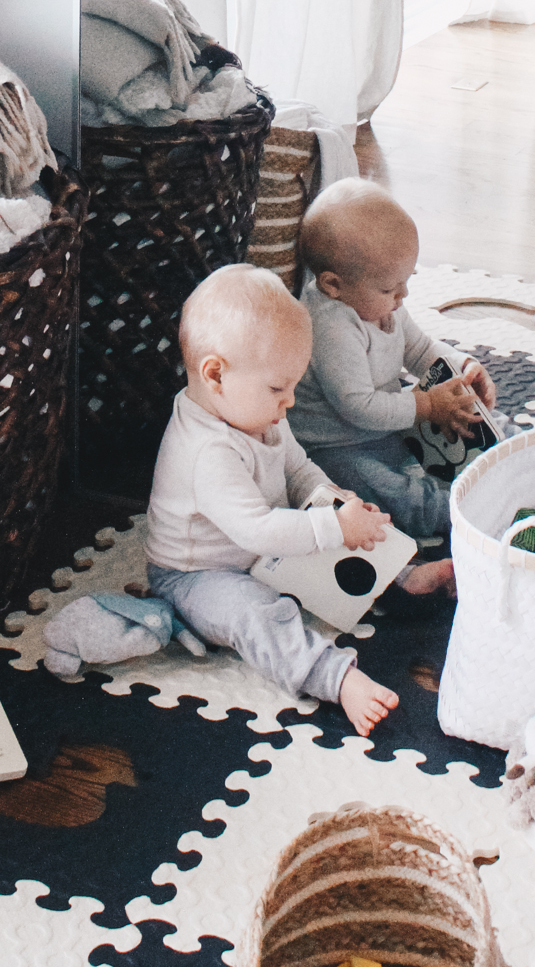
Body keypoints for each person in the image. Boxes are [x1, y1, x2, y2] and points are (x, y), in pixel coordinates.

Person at [145, 266, 408, 737]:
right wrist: (331, 527)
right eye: (277, 388)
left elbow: (299, 468)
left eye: (292, 386)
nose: (288, 402)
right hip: (197, 576)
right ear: (215, 375)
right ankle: (336, 679)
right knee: (258, 613)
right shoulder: (207, 450)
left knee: (345, 528)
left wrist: (336, 505)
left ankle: (404, 578)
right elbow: (258, 530)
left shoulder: (258, 411)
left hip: (263, 548)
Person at [291, 179, 496, 546]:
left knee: (469, 420)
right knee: (377, 486)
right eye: (389, 288)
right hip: (335, 446)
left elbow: (418, 348)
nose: (403, 295)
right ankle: (450, 512)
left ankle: (491, 459)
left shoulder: (379, 302)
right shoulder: (331, 326)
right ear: (333, 285)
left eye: (406, 281)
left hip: (387, 425)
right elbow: (359, 407)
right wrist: (428, 406)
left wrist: (462, 365)